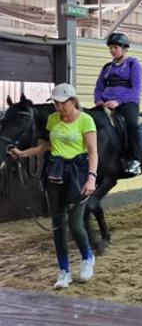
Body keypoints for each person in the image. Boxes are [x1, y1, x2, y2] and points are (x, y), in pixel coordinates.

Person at [7, 83, 98, 289]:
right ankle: (64, 271)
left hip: (78, 173)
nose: (58, 106)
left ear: (72, 101)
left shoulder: (86, 120)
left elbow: (93, 152)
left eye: (62, 103)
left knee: (75, 224)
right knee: (58, 225)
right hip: (56, 172)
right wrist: (23, 153)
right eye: (55, 103)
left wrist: (91, 178)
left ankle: (87, 257)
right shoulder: (52, 119)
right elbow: (47, 145)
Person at [94, 32, 142, 176]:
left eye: (115, 47)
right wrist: (98, 100)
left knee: (132, 125)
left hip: (127, 102)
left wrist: (118, 101)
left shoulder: (133, 64)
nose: (112, 50)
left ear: (124, 48)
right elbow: (99, 87)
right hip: (105, 103)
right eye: (111, 47)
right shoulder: (107, 67)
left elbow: (136, 89)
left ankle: (135, 160)